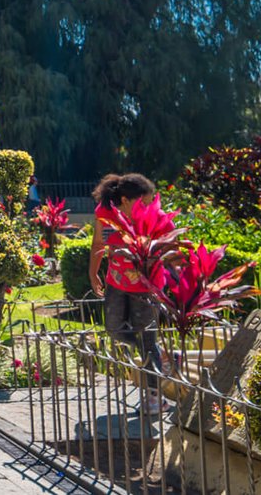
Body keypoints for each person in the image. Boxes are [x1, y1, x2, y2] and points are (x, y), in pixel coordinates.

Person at [90, 172, 169, 413]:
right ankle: (161, 354)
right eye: (142, 202)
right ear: (125, 200)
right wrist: (93, 273)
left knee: (147, 341)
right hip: (116, 283)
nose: (147, 206)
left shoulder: (157, 217)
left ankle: (156, 399)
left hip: (146, 288)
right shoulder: (106, 213)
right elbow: (98, 244)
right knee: (113, 329)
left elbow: (169, 246)